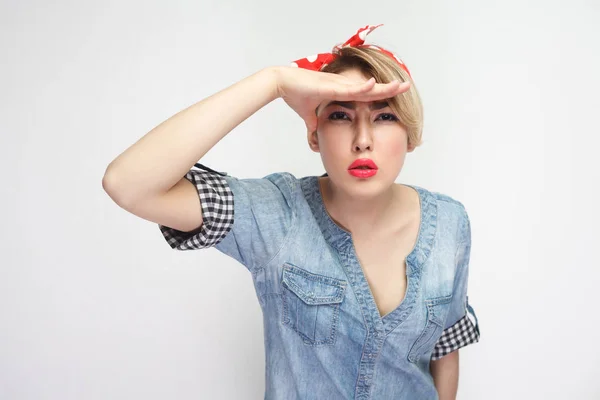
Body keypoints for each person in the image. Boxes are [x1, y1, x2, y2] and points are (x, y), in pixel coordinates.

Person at [103, 24, 480, 400]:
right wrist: (274, 82)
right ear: (313, 133)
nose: (363, 140)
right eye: (340, 116)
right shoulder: (276, 216)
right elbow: (128, 184)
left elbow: (445, 347)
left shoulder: (450, 223)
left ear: (410, 134)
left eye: (384, 117)